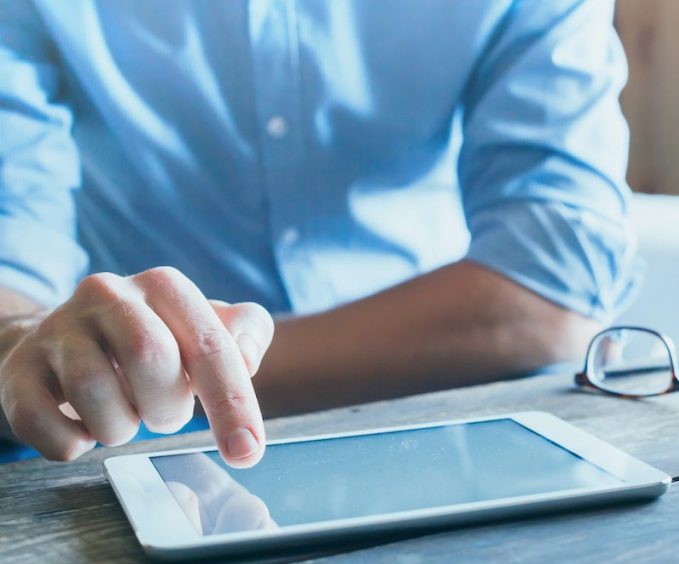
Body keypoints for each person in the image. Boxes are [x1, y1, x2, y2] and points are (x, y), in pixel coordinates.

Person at [0, 1, 636, 467]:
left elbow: (550, 291)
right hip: (120, 448)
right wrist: (28, 346)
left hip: (444, 429)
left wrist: (188, 368)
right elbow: (12, 250)